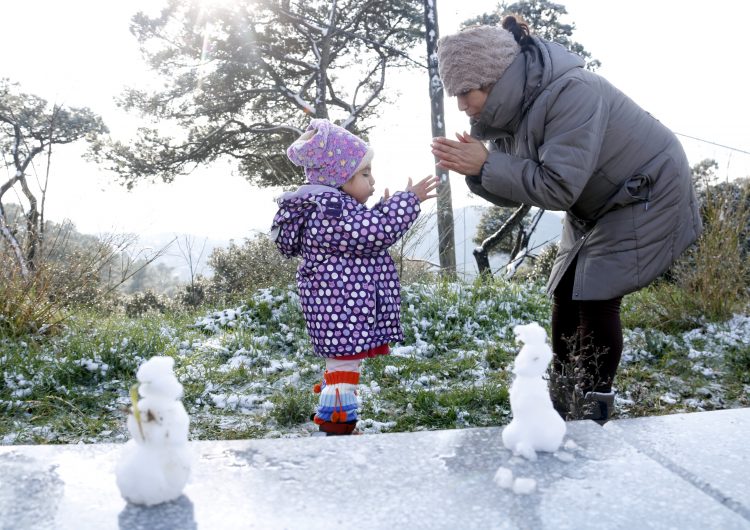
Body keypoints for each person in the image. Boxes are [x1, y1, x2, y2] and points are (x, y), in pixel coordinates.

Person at [431, 17, 702, 423]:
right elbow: (522, 187)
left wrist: (488, 163)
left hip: (647, 188)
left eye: (466, 93)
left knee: (596, 294)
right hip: (593, 200)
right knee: (566, 289)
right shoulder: (512, 114)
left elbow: (556, 187)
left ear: (496, 79)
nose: (462, 105)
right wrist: (479, 169)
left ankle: (591, 409)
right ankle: (562, 399)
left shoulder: (571, 92)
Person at [272, 119, 438, 435]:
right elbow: (371, 234)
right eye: (364, 173)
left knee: (343, 366)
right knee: (344, 367)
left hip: (341, 308)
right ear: (338, 177)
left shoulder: (331, 209)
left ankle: (334, 416)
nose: (372, 181)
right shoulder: (330, 212)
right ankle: (337, 426)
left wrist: (383, 208)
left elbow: (361, 231)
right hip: (341, 310)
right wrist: (407, 202)